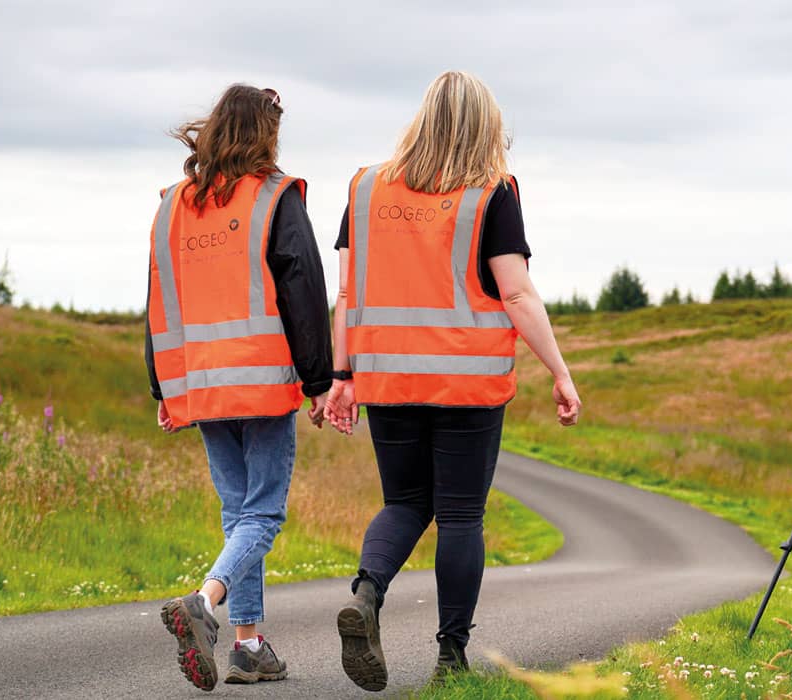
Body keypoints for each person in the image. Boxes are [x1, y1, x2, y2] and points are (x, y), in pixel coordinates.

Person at [317, 70, 582, 691]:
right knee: (461, 516)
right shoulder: (491, 194)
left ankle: (366, 594)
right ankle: (450, 658)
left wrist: (342, 374)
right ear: (485, 126)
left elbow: (348, 292)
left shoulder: (365, 188)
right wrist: (560, 373)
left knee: (404, 503)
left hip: (386, 377)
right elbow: (515, 293)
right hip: (467, 382)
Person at [144, 83, 330, 691]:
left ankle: (249, 646)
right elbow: (302, 290)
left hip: (201, 382)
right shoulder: (275, 196)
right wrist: (320, 380)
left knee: (238, 512)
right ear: (265, 132)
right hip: (262, 379)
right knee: (263, 513)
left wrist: (165, 391)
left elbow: (157, 300)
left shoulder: (174, 204)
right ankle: (204, 602)